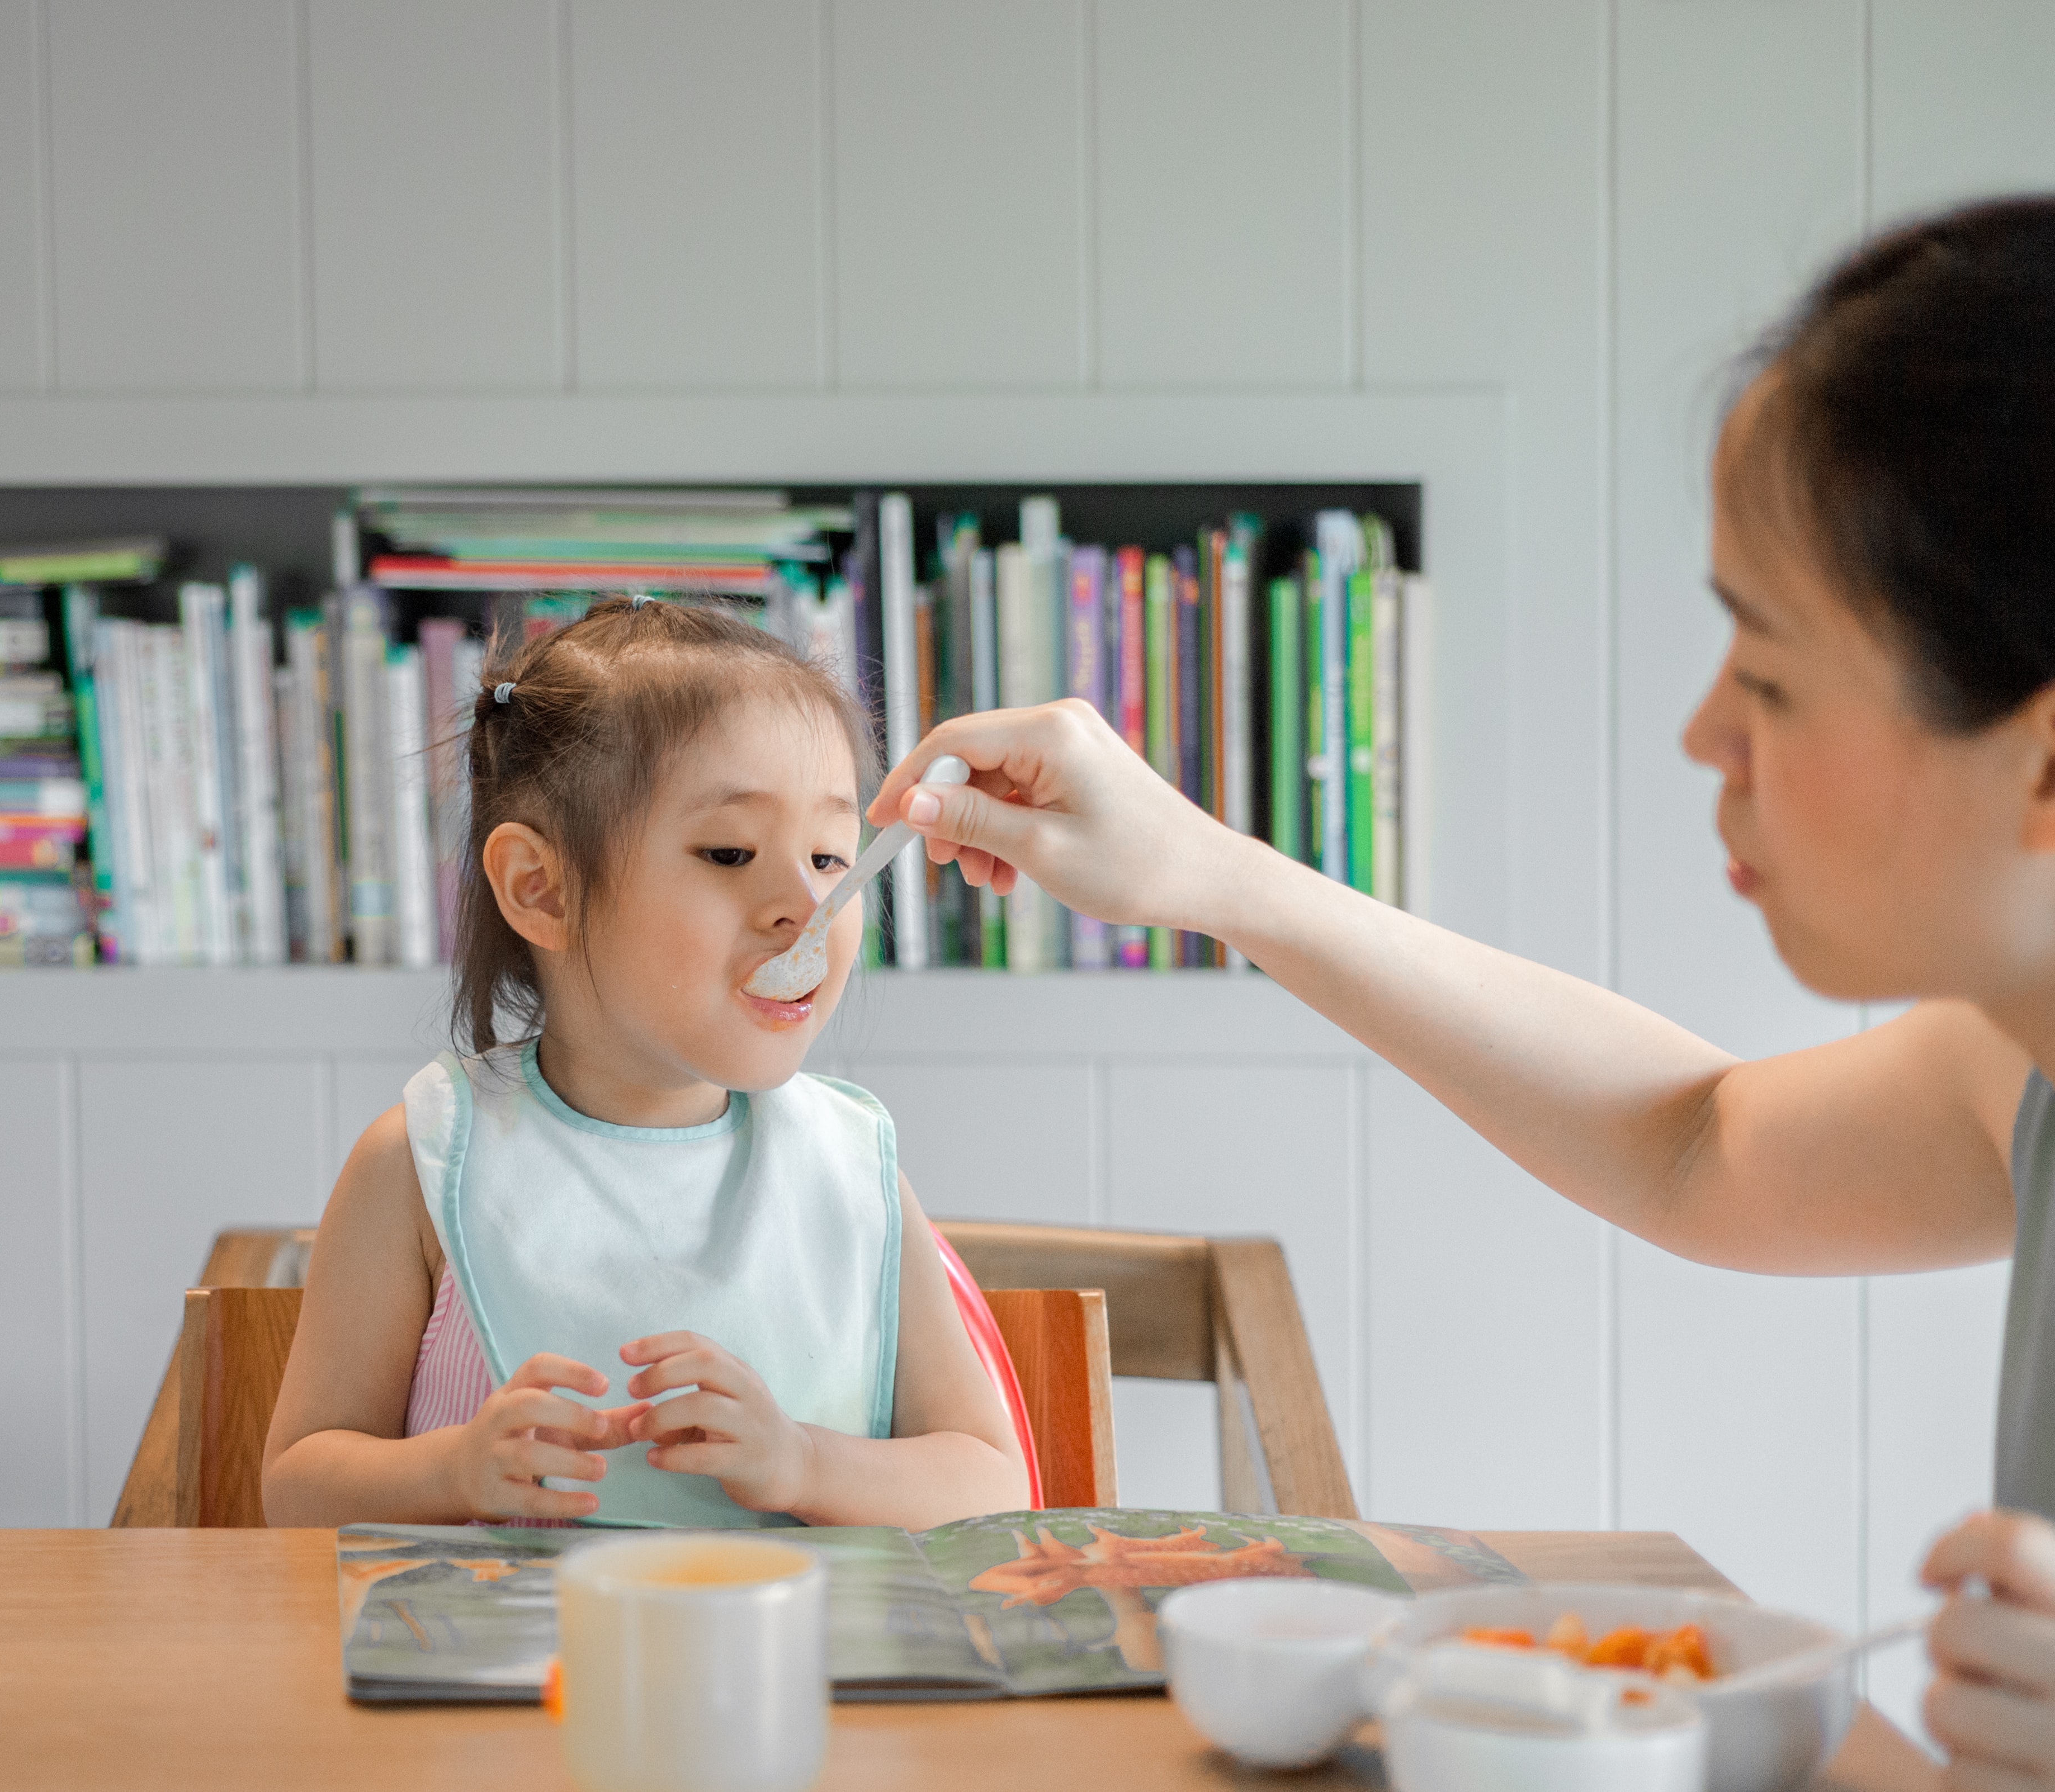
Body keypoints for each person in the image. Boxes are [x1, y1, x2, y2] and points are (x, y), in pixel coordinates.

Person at [875, 194, 2055, 1784]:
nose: (1707, 731)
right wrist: (1208, 872)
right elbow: (1700, 1141)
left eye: (1768, 674)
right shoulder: (2017, 1064)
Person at [263, 597, 1026, 1531]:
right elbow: (296, 1487)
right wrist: (452, 1472)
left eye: (832, 856)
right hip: (510, 1674)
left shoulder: (851, 1166)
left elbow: (991, 1484)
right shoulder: (420, 1163)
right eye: (730, 851)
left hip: (803, 1671)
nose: (806, 905)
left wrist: (801, 1462)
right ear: (540, 889)